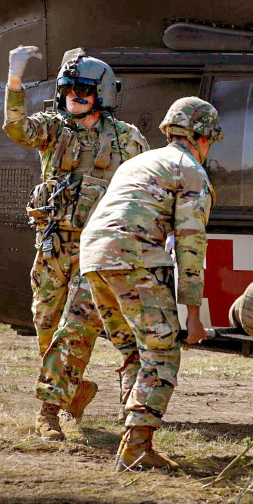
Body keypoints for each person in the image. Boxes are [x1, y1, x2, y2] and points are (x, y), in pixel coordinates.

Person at [3, 46, 149, 441]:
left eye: (84, 91)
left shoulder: (127, 139)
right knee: (46, 325)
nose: (76, 98)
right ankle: (75, 390)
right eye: (70, 91)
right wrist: (15, 78)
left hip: (97, 251)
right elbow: (17, 128)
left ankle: (48, 411)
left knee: (76, 327)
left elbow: (148, 188)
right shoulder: (53, 129)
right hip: (53, 246)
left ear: (102, 95)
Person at [79, 97, 223, 472]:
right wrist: (193, 317)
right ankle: (137, 446)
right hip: (133, 256)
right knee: (161, 352)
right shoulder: (190, 171)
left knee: (134, 350)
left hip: (94, 258)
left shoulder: (139, 161)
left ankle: (133, 436)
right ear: (204, 137)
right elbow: (191, 247)